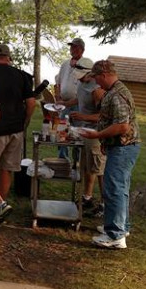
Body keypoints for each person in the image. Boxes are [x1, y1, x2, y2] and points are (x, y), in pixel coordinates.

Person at [81, 60, 140, 250]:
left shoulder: (117, 95)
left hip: (124, 147)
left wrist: (98, 135)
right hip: (118, 146)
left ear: (104, 74)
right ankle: (121, 226)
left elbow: (123, 126)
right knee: (120, 188)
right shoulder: (114, 91)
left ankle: (115, 236)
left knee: (114, 188)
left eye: (97, 78)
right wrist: (106, 142)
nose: (97, 83)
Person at [0, 44, 35, 227]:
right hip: (15, 130)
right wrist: (24, 123)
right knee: (6, 169)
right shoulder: (22, 75)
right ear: (9, 58)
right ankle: (0, 207)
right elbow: (31, 103)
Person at [67, 58, 106, 217]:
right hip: (85, 131)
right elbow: (79, 99)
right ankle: (87, 197)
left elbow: (104, 116)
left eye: (83, 75)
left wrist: (82, 116)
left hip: (97, 134)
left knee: (100, 169)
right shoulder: (83, 84)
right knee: (86, 166)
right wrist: (65, 103)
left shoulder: (97, 90)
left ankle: (105, 204)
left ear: (91, 73)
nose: (80, 78)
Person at [55, 37, 86, 159]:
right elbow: (57, 82)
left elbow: (85, 91)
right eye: (71, 47)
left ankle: (77, 161)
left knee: (78, 133)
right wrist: (57, 96)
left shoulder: (86, 64)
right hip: (64, 104)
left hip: (79, 105)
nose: (72, 49)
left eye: (75, 47)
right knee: (61, 131)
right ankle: (62, 158)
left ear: (82, 50)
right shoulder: (65, 64)